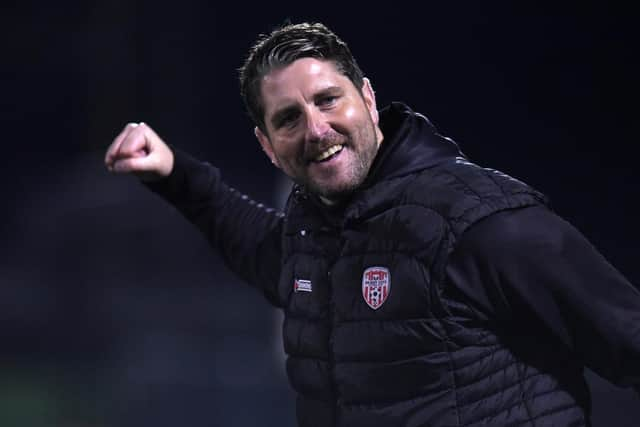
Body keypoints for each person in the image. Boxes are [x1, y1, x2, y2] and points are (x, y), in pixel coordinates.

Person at [104, 22, 640, 427]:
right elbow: (257, 244)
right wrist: (175, 174)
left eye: (328, 99)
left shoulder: (482, 219)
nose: (316, 128)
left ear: (368, 99)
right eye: (288, 118)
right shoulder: (316, 232)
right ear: (268, 148)